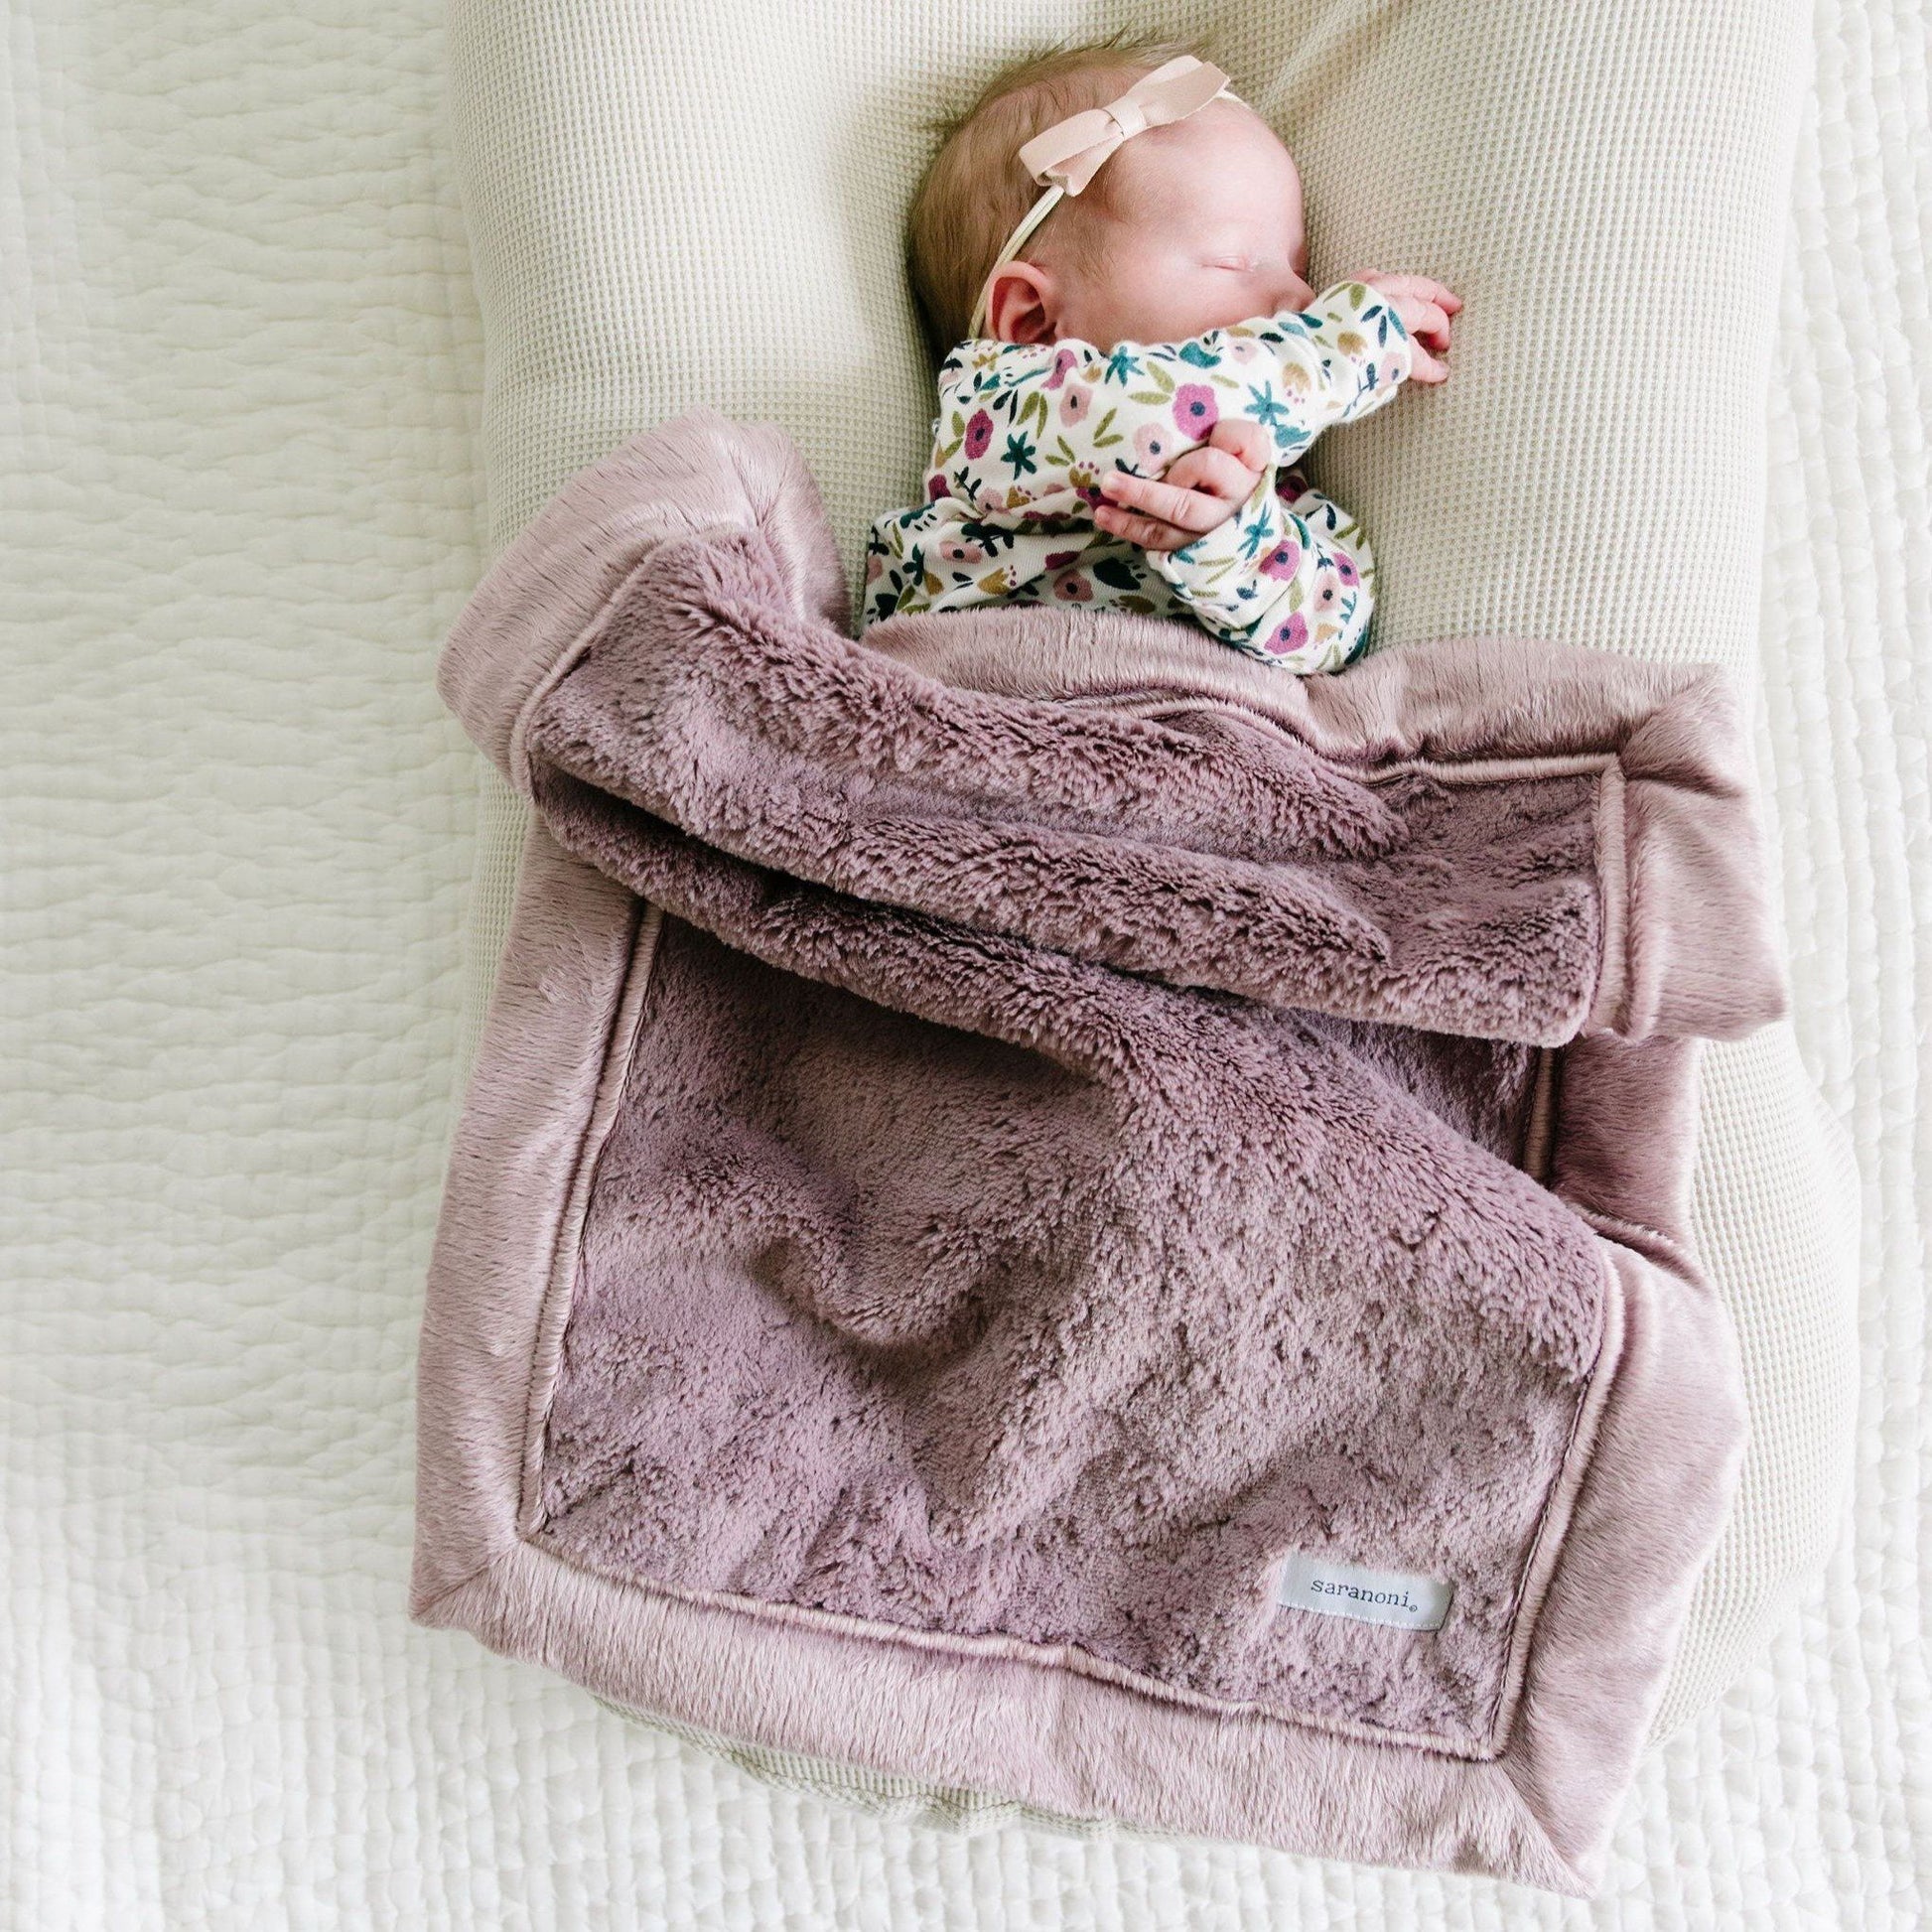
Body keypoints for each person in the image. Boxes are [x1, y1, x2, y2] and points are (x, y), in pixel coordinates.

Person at [864, 36, 1459, 672]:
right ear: (1035, 320)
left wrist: (1236, 542)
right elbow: (1146, 422)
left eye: (1300, 269)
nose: (1301, 300)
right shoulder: (998, 410)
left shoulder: (1273, 496)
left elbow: (1338, 630)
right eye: (1232, 261)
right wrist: (1334, 351)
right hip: (980, 706)